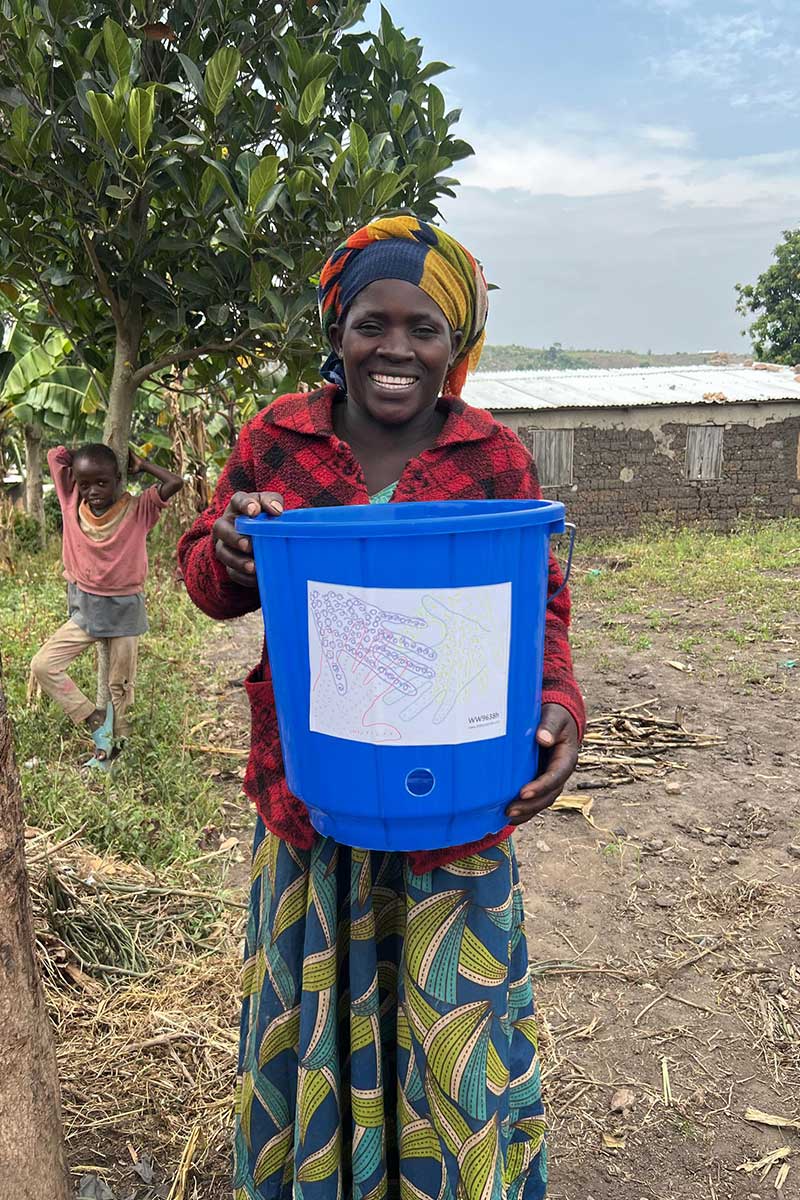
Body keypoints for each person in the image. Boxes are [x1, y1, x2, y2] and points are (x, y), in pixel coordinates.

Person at [178, 215, 585, 1200]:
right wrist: (231, 550)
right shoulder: (279, 439)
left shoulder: (492, 456)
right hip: (314, 801)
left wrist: (560, 706)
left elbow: (540, 607)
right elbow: (205, 573)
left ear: (455, 344)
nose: (395, 348)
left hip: (457, 805)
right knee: (318, 1015)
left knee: (451, 1027)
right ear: (339, 329)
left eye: (423, 328)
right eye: (372, 323)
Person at [31, 443, 184, 765]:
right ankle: (92, 718)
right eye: (84, 483)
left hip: (125, 610)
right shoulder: (71, 502)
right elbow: (55, 456)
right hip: (85, 609)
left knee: (121, 686)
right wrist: (85, 458)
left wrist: (142, 464)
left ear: (118, 479)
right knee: (43, 665)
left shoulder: (139, 509)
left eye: (102, 482)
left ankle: (117, 749)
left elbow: (174, 482)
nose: (92, 491)